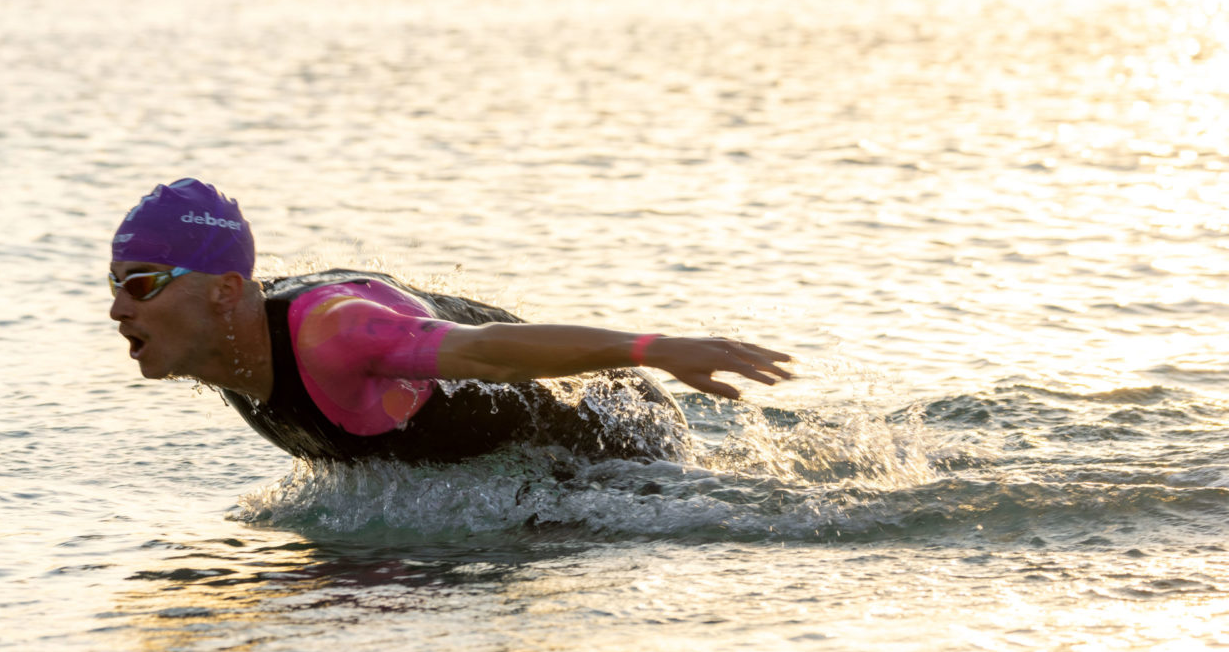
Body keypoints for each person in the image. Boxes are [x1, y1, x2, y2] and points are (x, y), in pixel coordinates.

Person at [109, 179, 793, 464]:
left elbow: (489, 352)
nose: (117, 308)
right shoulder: (219, 350)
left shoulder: (334, 333)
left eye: (140, 284)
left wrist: (654, 347)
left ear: (226, 291)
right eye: (114, 285)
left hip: (609, 429)